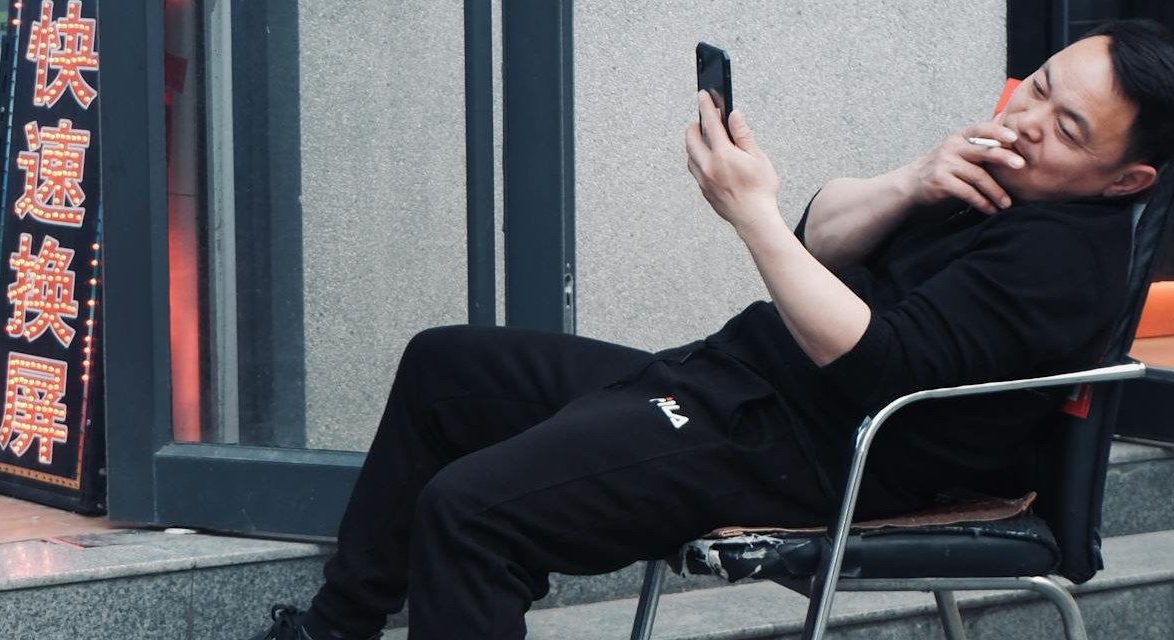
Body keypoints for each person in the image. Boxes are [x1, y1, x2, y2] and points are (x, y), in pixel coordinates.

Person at [252, 19, 1174, 640]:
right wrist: (911, 181)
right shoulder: (992, 176)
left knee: (472, 515)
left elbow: (880, 367)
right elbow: (819, 240)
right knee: (445, 367)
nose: (1027, 122)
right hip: (734, 386)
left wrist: (748, 215)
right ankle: (334, 631)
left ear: (1125, 180)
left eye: (1067, 128)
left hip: (811, 452)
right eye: (1036, 89)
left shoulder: (1059, 261)